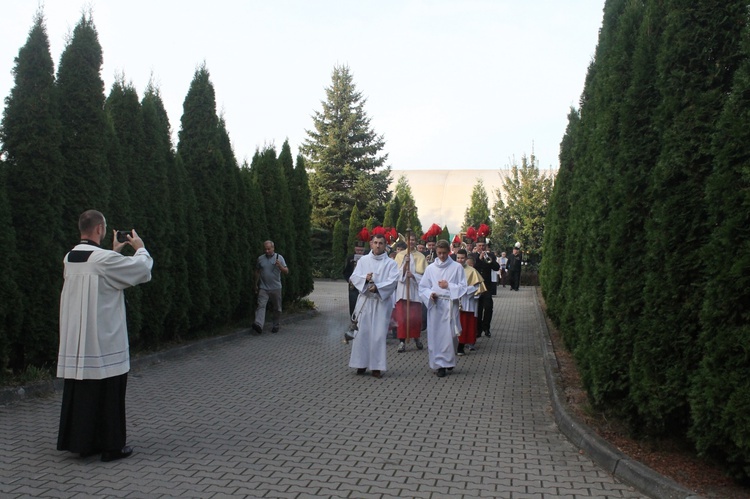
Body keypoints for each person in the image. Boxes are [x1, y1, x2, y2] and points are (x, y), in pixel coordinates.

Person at [57, 210, 153, 462]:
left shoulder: (70, 257)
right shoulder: (103, 259)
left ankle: (83, 443)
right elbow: (140, 270)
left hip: (78, 341)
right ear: (99, 229)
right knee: (109, 393)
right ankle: (111, 447)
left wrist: (114, 252)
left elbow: (104, 275)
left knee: (84, 392)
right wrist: (140, 248)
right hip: (104, 339)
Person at [348, 232, 400, 378]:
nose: (378, 245)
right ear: (371, 244)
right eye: (375, 243)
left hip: (381, 303)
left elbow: (393, 281)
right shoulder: (363, 260)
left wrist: (378, 287)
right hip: (365, 301)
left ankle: (376, 366)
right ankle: (360, 364)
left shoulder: (391, 263)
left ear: (385, 245)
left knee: (378, 335)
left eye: (381, 243)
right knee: (362, 333)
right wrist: (365, 279)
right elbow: (354, 277)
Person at [419, 239, 467, 378]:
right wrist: (430, 294)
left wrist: (449, 286)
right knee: (436, 335)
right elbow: (423, 287)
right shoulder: (430, 269)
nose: (441, 256)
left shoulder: (457, 267)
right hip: (435, 304)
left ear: (449, 252)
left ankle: (449, 360)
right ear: (435, 252)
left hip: (450, 304)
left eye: (444, 253)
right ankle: (440, 365)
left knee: (450, 335)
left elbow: (463, 287)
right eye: (439, 253)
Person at [394, 234, 427, 352]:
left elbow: (425, 276)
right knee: (402, 317)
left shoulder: (421, 256)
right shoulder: (400, 255)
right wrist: (404, 266)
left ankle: (416, 338)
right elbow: (395, 274)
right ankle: (402, 341)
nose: (411, 242)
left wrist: (413, 276)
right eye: (409, 239)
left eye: (413, 239)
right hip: (403, 291)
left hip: (415, 290)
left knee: (415, 317)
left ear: (416, 241)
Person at [252, 241, 289, 334]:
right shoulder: (260, 258)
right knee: (261, 305)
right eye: (265, 249)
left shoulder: (279, 258)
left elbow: (286, 271)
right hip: (263, 287)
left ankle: (276, 325)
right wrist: (255, 284)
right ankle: (258, 325)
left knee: (277, 308)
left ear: (273, 248)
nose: (267, 251)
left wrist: (280, 266)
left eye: (269, 249)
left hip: (276, 288)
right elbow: (257, 271)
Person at [455, 250, 486, 356]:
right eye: (458, 258)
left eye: (462, 258)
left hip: (466, 301)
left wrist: (464, 290)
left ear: (465, 258)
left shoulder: (471, 270)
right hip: (454, 301)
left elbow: (477, 286)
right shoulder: (452, 269)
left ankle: (461, 346)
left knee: (464, 324)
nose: (460, 260)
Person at [471, 227, 499, 338]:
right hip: (476, 286)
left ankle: (486, 328)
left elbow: (496, 268)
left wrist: (489, 260)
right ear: (476, 246)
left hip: (486, 286)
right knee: (477, 309)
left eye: (483, 246)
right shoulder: (473, 257)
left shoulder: (491, 256)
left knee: (488, 307)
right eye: (479, 246)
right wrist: (480, 259)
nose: (481, 247)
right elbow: (472, 268)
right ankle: (478, 330)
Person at [343, 229, 368, 334]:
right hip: (353, 285)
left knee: (362, 304)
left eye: (361, 251)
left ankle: (362, 324)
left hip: (363, 285)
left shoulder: (367, 259)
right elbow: (345, 271)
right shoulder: (350, 258)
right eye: (357, 251)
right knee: (353, 303)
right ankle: (353, 323)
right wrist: (349, 279)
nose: (359, 252)